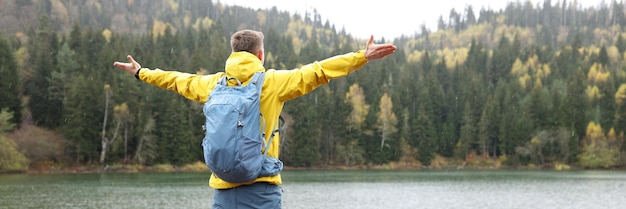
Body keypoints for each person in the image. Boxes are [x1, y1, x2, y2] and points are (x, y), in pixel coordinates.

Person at [113, 29, 397, 209]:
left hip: (223, 191)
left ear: (233, 53)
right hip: (262, 189)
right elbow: (318, 71)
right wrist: (361, 56)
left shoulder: (215, 84)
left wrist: (142, 72)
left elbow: (176, 81)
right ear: (260, 55)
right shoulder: (272, 82)